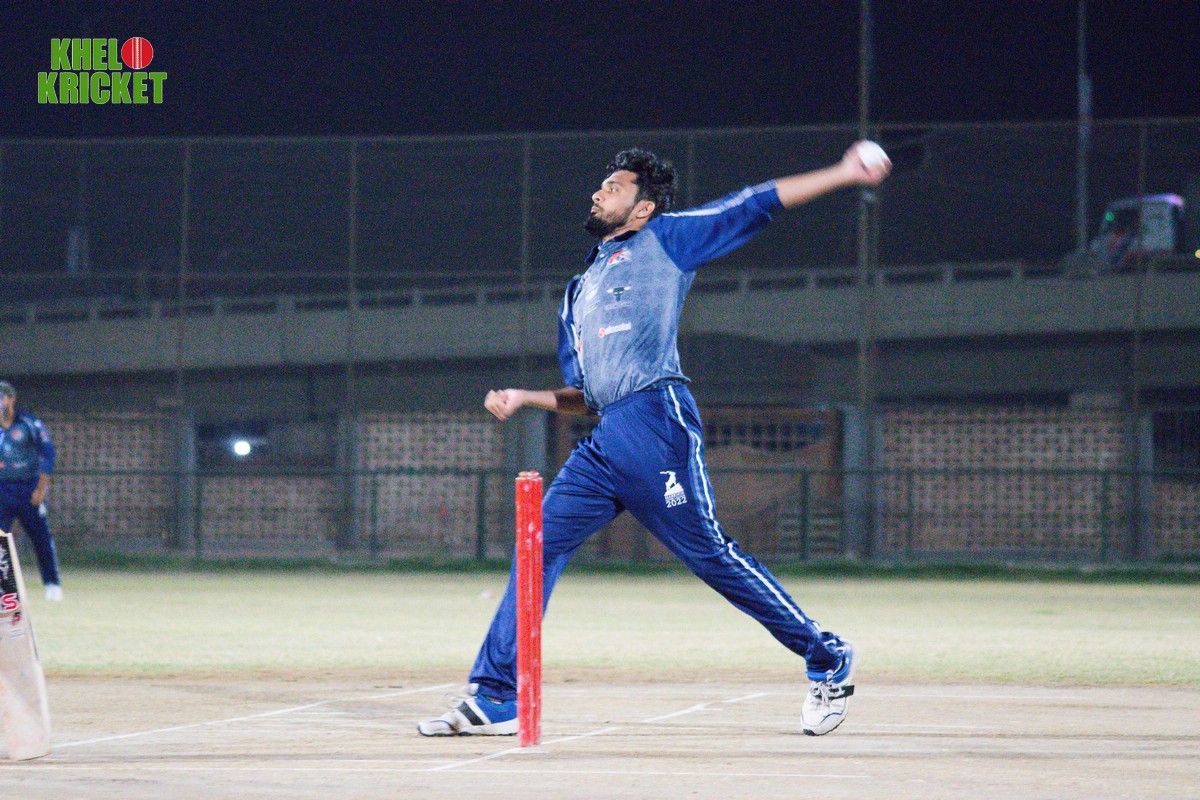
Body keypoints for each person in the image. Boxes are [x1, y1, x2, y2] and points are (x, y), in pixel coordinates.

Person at [418, 142, 891, 738]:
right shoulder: (578, 290)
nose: (599, 193)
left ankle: (827, 655)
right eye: (602, 185)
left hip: (656, 423)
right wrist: (526, 397)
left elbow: (752, 203)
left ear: (642, 209)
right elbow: (586, 394)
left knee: (710, 556)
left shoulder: (664, 240)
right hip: (605, 440)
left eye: (614, 188)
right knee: (536, 545)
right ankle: (496, 698)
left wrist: (844, 172)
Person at [0, 381, 63, 601]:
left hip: (29, 488)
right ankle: (6, 589)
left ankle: (52, 584)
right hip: (2, 489)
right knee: (0, 539)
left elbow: (48, 454)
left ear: (11, 399)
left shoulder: (29, 423)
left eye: (1, 398)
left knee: (41, 537)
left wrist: (40, 488)